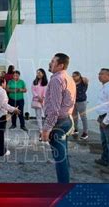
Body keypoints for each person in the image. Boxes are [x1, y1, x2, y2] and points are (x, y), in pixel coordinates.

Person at [41, 53, 76, 183]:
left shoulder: (56, 79)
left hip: (58, 123)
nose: (50, 63)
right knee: (63, 155)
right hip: (66, 119)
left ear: (60, 65)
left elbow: (54, 109)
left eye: (53, 61)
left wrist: (46, 129)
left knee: (60, 158)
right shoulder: (68, 78)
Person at [0, 77, 20, 156]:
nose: (5, 84)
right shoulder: (2, 91)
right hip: (0, 114)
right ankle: (1, 151)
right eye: (5, 82)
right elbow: (4, 104)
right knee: (1, 133)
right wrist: (14, 109)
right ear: (2, 83)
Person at [31, 68, 48, 140]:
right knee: (38, 116)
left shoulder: (46, 82)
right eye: (37, 73)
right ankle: (41, 130)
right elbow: (33, 90)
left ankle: (46, 129)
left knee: (46, 115)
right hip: (37, 101)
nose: (38, 74)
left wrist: (43, 98)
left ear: (43, 74)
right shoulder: (34, 82)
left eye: (40, 73)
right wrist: (38, 97)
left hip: (45, 101)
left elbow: (47, 90)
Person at [72, 71, 89, 140]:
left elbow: (86, 80)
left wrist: (82, 78)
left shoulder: (83, 82)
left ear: (79, 76)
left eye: (75, 76)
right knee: (74, 117)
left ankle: (85, 132)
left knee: (83, 118)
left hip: (81, 102)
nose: (73, 77)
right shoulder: (72, 82)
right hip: (74, 102)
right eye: (73, 76)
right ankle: (76, 129)